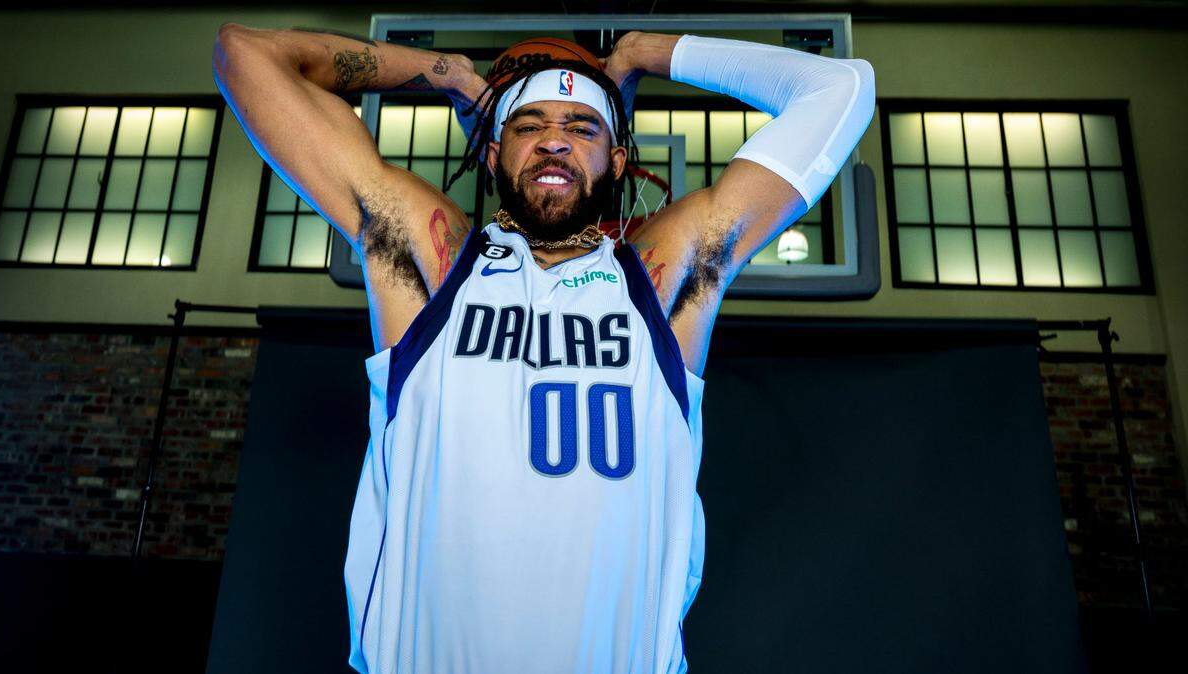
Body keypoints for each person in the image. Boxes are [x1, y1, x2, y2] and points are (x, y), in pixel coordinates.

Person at [213, 24, 874, 673]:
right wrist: (446, 74)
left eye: (582, 128)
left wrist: (646, 51)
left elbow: (840, 87)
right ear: (495, 148)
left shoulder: (660, 280)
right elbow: (247, 54)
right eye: (529, 126)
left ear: (618, 161)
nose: (554, 140)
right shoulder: (432, 265)